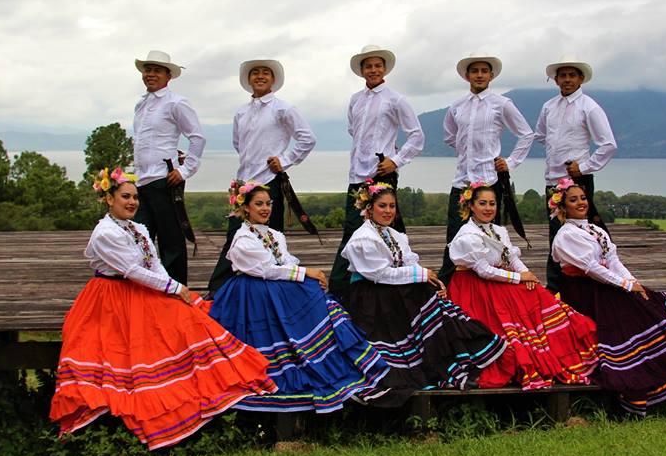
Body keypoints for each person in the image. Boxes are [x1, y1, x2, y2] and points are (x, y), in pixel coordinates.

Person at [50, 168, 275, 450]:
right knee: (124, 348)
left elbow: (152, 264)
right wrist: (171, 288)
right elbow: (131, 270)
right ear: (109, 199)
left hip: (142, 290)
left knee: (189, 318)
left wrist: (173, 287)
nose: (132, 202)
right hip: (110, 296)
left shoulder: (138, 228)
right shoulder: (105, 233)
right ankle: (133, 412)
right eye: (125, 197)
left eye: (134, 197)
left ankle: (202, 391)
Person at [550, 179, 666, 415]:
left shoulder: (596, 230)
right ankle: (642, 374)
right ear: (563, 207)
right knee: (633, 314)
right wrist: (624, 285)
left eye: (582, 198)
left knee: (651, 302)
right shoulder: (566, 235)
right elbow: (590, 267)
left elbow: (613, 261)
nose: (581, 203)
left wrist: (634, 283)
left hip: (603, 284)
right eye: (573, 200)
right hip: (584, 290)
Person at [207, 182, 389, 413]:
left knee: (320, 298)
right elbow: (264, 269)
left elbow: (285, 261)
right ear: (245, 209)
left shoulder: (274, 234)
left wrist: (307, 276)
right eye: (258, 204)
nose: (265, 208)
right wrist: (305, 273)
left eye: (268, 204)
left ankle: (332, 359)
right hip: (251, 293)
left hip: (276, 286)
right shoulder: (242, 239)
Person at [340, 182, 506, 406]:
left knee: (435, 303)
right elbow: (379, 274)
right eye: (382, 206)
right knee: (419, 297)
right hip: (371, 297)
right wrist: (421, 275)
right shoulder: (363, 238)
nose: (388, 211)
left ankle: (446, 361)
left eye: (392, 206)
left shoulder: (394, 235)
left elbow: (409, 262)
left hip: (393, 290)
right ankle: (424, 364)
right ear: (369, 209)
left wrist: (433, 281)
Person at [447, 183, 598, 389]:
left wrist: (527, 275)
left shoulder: (498, 230)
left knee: (536, 294)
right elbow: (483, 270)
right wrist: (518, 278)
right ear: (471, 206)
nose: (488, 208)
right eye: (482, 203)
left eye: (492, 203)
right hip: (474, 287)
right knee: (511, 310)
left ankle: (561, 347)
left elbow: (510, 257)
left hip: (498, 280)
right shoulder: (467, 235)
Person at [208, 59, 316, 294]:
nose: (260, 76)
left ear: (273, 79)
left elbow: (307, 138)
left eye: (265, 73)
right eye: (255, 73)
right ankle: (220, 290)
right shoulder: (241, 111)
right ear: (248, 80)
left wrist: (284, 160)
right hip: (243, 183)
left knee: (272, 237)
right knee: (235, 236)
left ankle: (275, 289)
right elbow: (238, 143)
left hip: (269, 182)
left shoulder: (283, 108)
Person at [329, 45, 425, 297]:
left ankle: (405, 279)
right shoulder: (355, 100)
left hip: (381, 174)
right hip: (356, 175)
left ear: (384, 69)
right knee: (352, 230)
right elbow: (354, 130)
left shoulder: (396, 99)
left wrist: (396, 160)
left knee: (389, 228)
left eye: (377, 65)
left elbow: (417, 136)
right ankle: (341, 290)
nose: (373, 70)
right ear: (362, 70)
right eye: (368, 66)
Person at [439, 53, 535, 281]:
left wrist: (509, 162)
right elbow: (449, 136)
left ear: (491, 75)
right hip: (462, 180)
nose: (480, 75)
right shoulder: (457, 106)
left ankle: (493, 283)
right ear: (467, 75)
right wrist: (466, 150)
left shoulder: (501, 104)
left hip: (489, 180)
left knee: (491, 237)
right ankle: (449, 285)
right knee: (454, 236)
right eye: (475, 71)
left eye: (484, 71)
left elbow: (526, 134)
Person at [535, 55, 617, 290]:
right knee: (556, 233)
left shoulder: (589, 107)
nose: (567, 80)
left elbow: (608, 144)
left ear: (581, 78)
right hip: (552, 179)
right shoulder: (548, 107)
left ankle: (596, 278)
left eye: (572, 75)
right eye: (563, 75)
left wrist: (584, 166)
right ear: (556, 79)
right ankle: (556, 287)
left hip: (576, 179)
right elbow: (541, 135)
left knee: (585, 231)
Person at [132, 50, 206, 285]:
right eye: (147, 69)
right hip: (141, 181)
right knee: (140, 238)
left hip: (165, 181)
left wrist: (184, 170)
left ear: (168, 76)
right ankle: (148, 287)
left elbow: (197, 137)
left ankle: (175, 293)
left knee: (171, 241)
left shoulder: (176, 103)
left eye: (156, 70)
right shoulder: (141, 105)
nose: (150, 74)